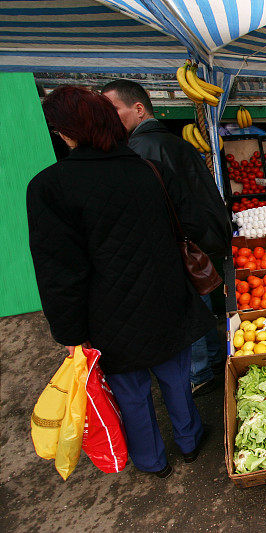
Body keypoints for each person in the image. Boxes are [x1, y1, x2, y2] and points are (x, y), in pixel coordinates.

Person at [27, 86, 214, 479]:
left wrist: (70, 330)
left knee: (130, 392)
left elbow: (59, 269)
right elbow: (191, 224)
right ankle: (190, 440)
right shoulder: (147, 168)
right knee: (176, 378)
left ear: (66, 132)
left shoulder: (50, 186)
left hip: (109, 312)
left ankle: (151, 461)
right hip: (166, 296)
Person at [101, 80, 231, 397]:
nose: (107, 117)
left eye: (113, 109)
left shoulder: (141, 151)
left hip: (179, 241)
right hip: (198, 235)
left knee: (187, 306)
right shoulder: (172, 142)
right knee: (198, 300)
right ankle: (214, 360)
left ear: (138, 108)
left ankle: (200, 372)